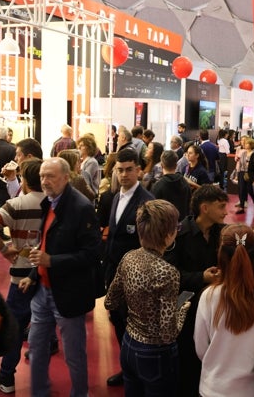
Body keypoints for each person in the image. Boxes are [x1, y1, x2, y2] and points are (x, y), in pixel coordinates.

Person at [20, 158, 101, 397]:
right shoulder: (49, 202)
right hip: (42, 291)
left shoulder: (81, 207)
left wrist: (51, 262)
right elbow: (46, 244)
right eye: (43, 176)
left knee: (74, 355)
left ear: (66, 177)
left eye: (51, 176)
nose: (45, 181)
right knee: (36, 348)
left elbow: (91, 255)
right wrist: (34, 274)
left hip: (68, 294)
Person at [105, 199, 190, 396]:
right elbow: (168, 333)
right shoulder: (167, 272)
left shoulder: (129, 258)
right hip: (155, 353)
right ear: (169, 234)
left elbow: (110, 301)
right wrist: (182, 309)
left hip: (128, 345)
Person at [0, 158, 47, 393]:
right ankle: (42, 376)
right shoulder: (56, 203)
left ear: (25, 182)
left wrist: (3, 248)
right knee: (45, 324)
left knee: (15, 326)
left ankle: (7, 376)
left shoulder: (16, 204)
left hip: (21, 273)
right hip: (48, 273)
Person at [194, 224, 254, 397]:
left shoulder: (210, 295)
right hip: (253, 389)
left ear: (220, 254)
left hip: (213, 388)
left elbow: (201, 347)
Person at [164, 184, 227, 396]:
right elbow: (169, 275)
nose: (225, 212)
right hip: (188, 311)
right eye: (221, 207)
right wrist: (201, 277)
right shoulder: (179, 235)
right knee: (189, 362)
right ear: (205, 208)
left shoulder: (223, 233)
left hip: (218, 310)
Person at [103, 148, 154, 387]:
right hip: (114, 273)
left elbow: (152, 246)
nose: (123, 175)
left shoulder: (147, 203)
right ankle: (127, 369)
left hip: (136, 277)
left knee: (134, 326)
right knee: (118, 321)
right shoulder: (116, 196)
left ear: (139, 170)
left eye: (129, 170)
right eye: (119, 170)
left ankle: (137, 373)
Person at [151, 150, 192, 219]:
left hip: (165, 226)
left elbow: (154, 212)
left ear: (161, 165)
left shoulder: (157, 186)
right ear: (176, 165)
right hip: (182, 225)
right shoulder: (185, 183)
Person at [234, 136, 254, 214]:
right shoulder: (243, 152)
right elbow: (241, 163)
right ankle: (242, 206)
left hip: (250, 173)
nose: (245, 144)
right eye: (244, 143)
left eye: (246, 143)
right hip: (242, 172)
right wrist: (238, 173)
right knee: (241, 189)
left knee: (250, 189)